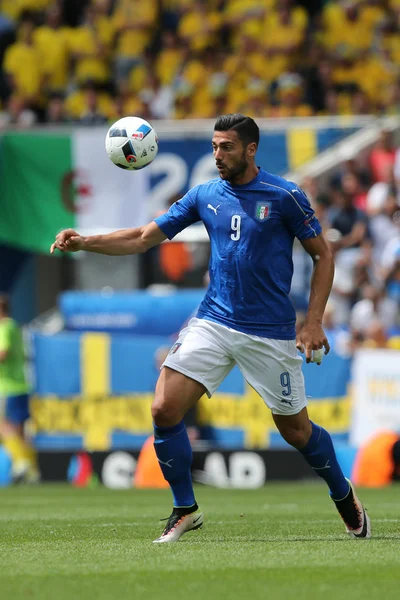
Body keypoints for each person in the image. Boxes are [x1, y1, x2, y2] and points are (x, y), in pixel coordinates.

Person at [50, 113, 371, 543]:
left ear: (251, 150)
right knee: (164, 408)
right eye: (215, 146)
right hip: (213, 321)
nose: (217, 155)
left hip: (269, 332)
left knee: (296, 431)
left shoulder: (284, 195)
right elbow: (145, 237)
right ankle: (185, 508)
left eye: (227, 147)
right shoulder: (205, 195)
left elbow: (323, 256)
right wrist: (86, 241)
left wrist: (313, 321)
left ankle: (343, 495)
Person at [0, 294, 38, 483]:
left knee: (4, 425)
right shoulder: (14, 326)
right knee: (20, 429)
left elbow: (3, 353)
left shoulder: (4, 327)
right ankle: (31, 470)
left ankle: (21, 461)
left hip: (7, 386)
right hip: (22, 384)